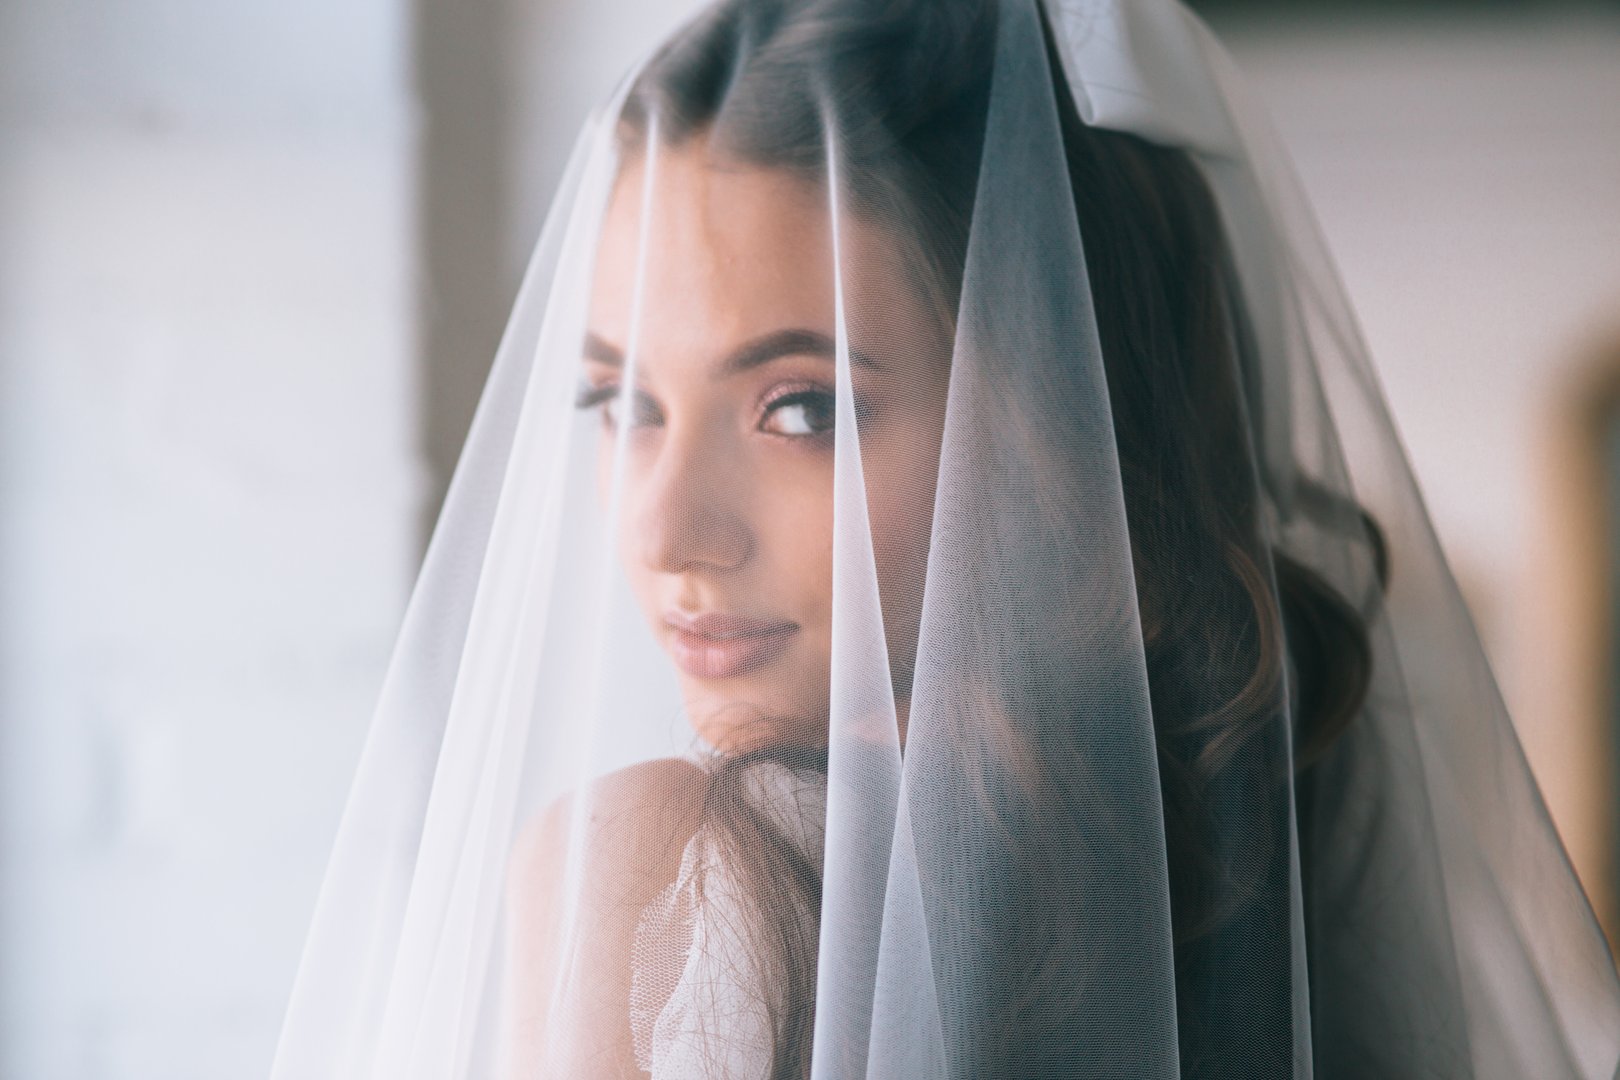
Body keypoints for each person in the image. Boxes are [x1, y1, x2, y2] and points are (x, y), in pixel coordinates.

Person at [270, 0, 1620, 1077]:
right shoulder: (1270, 824)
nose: (670, 531)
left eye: (802, 409)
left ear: (1052, 416)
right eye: (621, 403)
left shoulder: (661, 868)